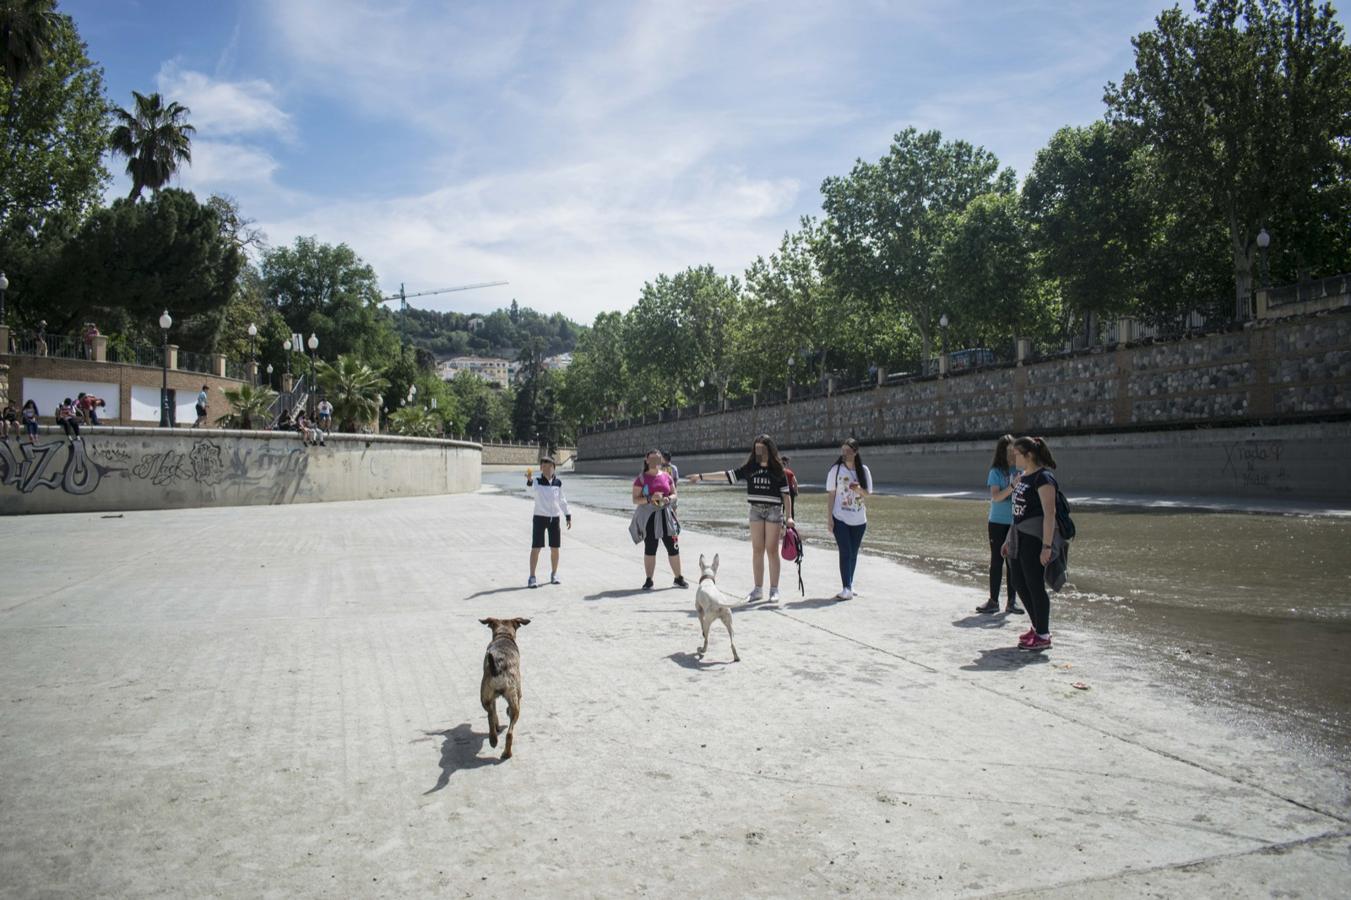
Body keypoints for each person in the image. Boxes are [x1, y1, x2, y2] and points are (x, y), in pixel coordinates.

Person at [687, 434, 794, 603]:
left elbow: (786, 495)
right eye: (757, 448)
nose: (759, 451)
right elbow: (727, 475)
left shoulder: (778, 469)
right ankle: (758, 589)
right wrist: (701, 477)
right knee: (757, 550)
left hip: (774, 511)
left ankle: (774, 590)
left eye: (763, 449)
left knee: (772, 551)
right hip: (756, 511)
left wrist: (789, 518)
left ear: (769, 450)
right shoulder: (750, 468)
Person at [1004, 436, 1063, 652]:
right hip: (1019, 537)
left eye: (1017, 454)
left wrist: (1047, 547)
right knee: (1019, 582)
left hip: (1035, 539)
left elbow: (1050, 514)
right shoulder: (1023, 476)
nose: (1014, 457)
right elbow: (1017, 511)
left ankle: (1043, 634)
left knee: (1035, 585)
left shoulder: (1043, 478)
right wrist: (1008, 539)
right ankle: (1037, 626)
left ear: (1028, 454)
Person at [976, 435, 1026, 616]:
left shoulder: (1020, 469)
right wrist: (1013, 486)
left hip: (1014, 522)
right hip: (997, 522)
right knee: (996, 561)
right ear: (1002, 452)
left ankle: (1012, 602)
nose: (1014, 454)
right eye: (1010, 450)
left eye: (1015, 450)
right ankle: (993, 601)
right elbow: (996, 497)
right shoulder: (995, 472)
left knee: (1013, 562)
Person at [632, 448, 687, 590]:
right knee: (650, 547)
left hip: (666, 515)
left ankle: (678, 577)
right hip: (649, 517)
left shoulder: (667, 477)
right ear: (647, 460)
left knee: (673, 547)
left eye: (658, 458)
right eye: (652, 459)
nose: (655, 461)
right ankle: (649, 579)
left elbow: (675, 494)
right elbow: (635, 499)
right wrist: (650, 498)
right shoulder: (641, 478)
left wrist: (669, 498)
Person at [825, 438, 871, 600]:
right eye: (843, 451)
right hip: (840, 517)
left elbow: (868, 493)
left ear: (855, 452)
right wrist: (829, 518)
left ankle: (850, 584)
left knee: (853, 553)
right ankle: (846, 588)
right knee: (845, 552)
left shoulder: (863, 470)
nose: (845, 454)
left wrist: (858, 489)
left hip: (859, 520)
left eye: (848, 451)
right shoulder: (835, 470)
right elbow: (831, 494)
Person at [526, 456, 572, 588]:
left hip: (554, 519)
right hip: (540, 518)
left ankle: (554, 574)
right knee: (536, 548)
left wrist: (568, 515)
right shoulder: (537, 481)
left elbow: (562, 500)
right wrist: (529, 481)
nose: (546, 468)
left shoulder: (558, 483)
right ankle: (532, 576)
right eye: (544, 466)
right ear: (540, 468)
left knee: (555, 548)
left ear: (554, 468)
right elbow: (529, 492)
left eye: (549, 466)